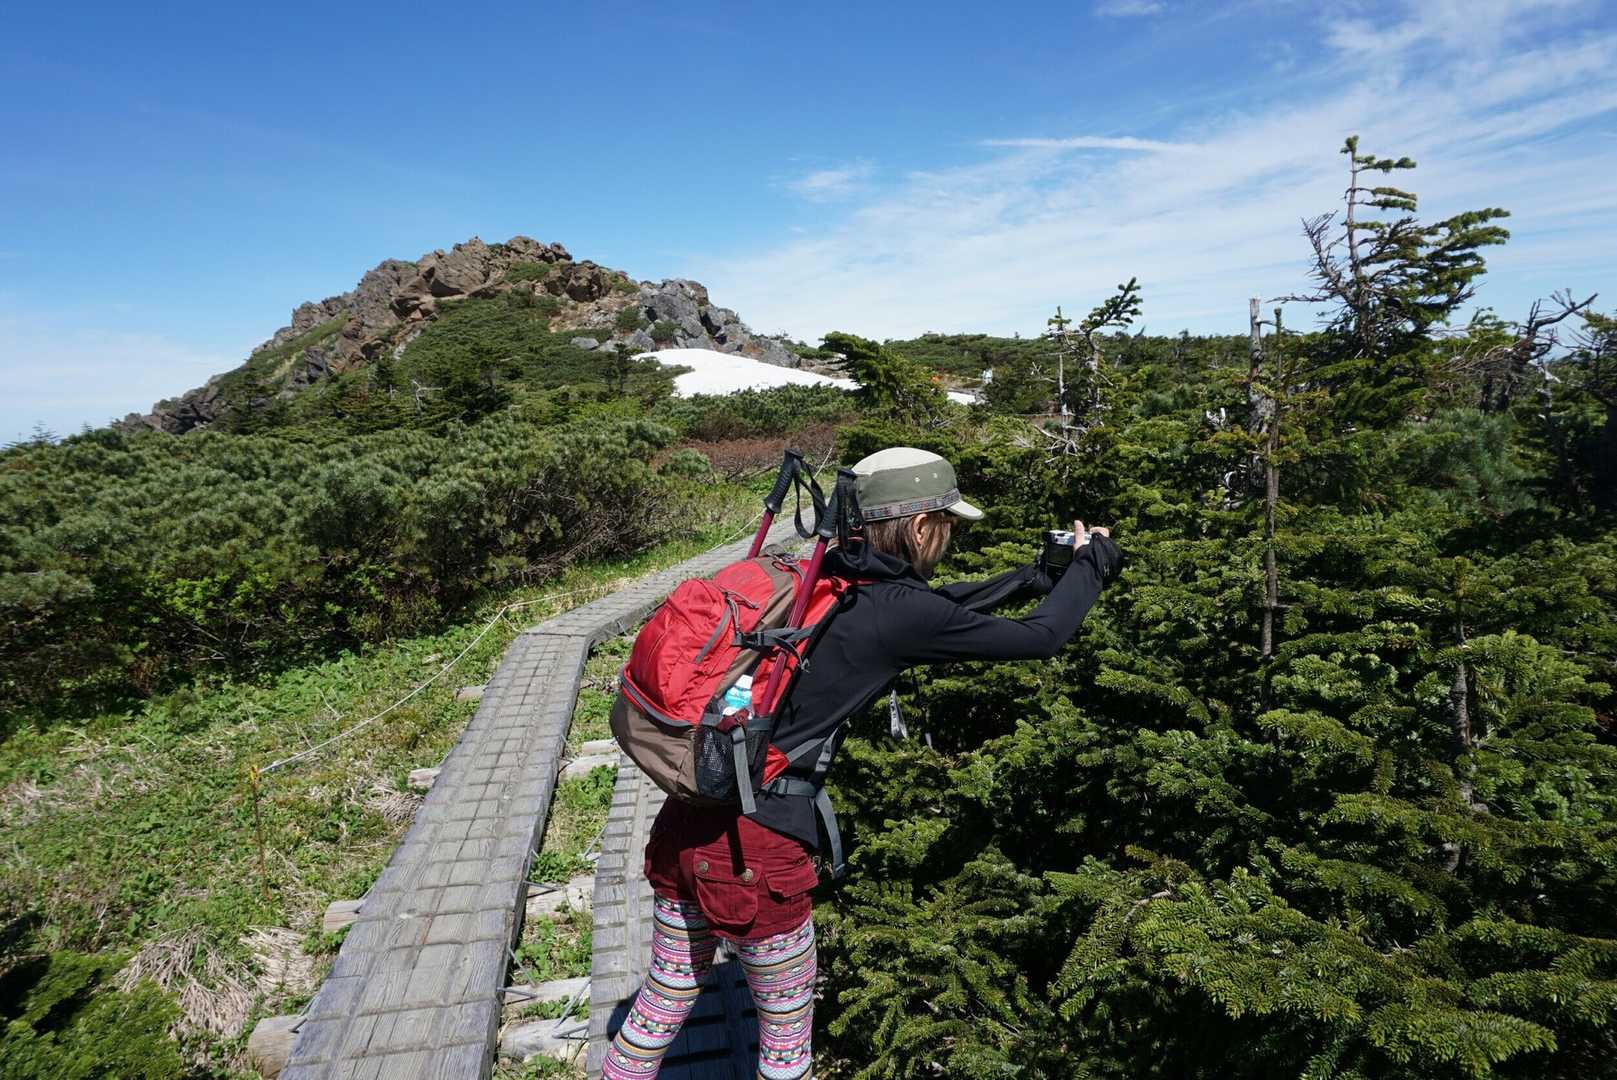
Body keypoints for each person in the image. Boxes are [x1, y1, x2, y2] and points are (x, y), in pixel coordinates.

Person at [602, 447, 1123, 1079]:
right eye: (949, 526)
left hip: (690, 815)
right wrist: (1092, 566)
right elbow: (1041, 638)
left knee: (664, 997)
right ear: (922, 527)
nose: (950, 540)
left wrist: (1035, 577)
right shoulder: (894, 610)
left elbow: (938, 609)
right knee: (785, 1042)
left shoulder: (828, 575)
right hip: (757, 853)